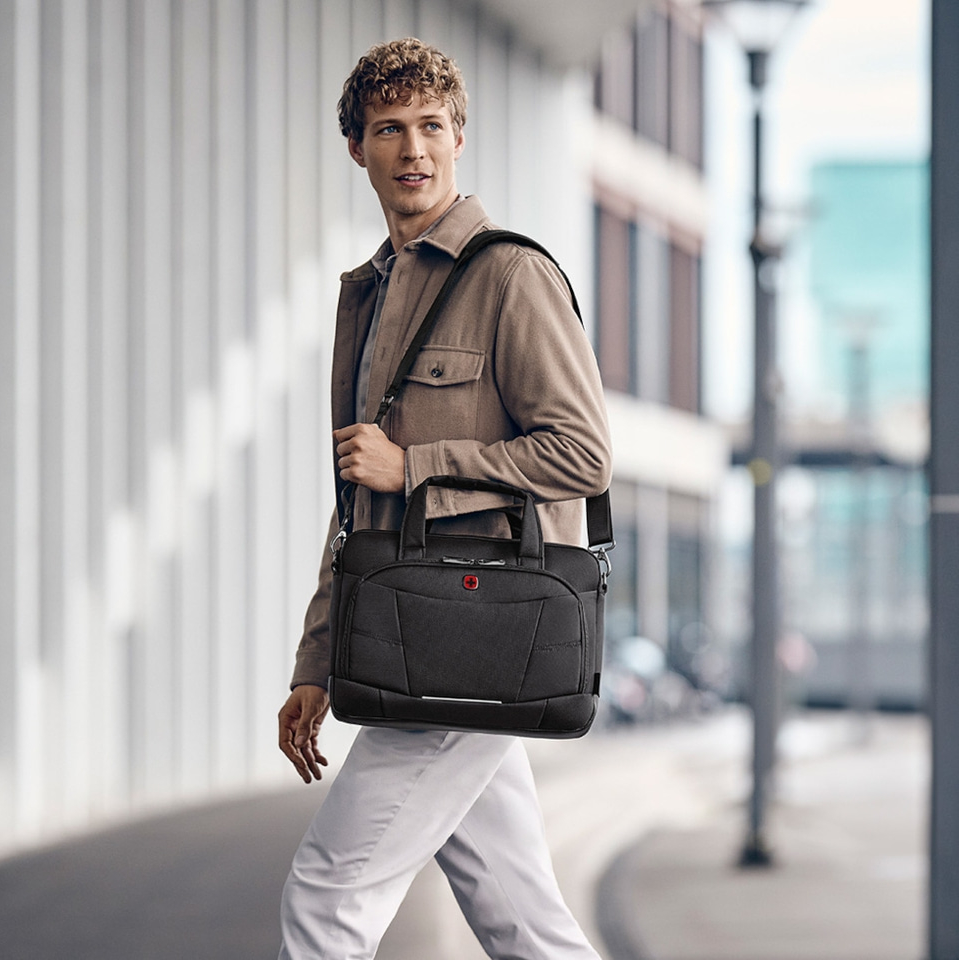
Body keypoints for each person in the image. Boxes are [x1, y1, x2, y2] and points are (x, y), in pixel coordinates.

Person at [276, 37, 612, 960]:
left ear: (459, 135)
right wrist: (317, 660)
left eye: (430, 125)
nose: (412, 148)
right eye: (390, 129)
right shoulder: (369, 296)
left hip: (472, 631)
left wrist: (417, 465)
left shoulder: (512, 275)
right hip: (415, 635)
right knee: (523, 920)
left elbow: (582, 453)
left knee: (326, 897)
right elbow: (358, 506)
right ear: (359, 149)